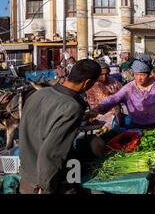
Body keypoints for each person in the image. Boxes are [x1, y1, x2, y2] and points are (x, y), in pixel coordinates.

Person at [19, 59, 101, 194]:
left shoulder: (37, 94)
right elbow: (52, 153)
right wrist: (45, 187)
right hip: (47, 183)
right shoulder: (72, 107)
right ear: (87, 83)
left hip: (27, 178)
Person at [92, 58, 155, 129]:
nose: (139, 78)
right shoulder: (129, 88)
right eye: (136, 74)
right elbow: (114, 98)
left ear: (149, 74)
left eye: (143, 75)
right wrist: (99, 108)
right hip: (137, 125)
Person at [86, 62, 123, 128]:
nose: (104, 77)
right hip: (100, 118)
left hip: (116, 116)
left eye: (107, 74)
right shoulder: (92, 85)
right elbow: (96, 102)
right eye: (101, 74)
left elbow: (123, 93)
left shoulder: (114, 82)